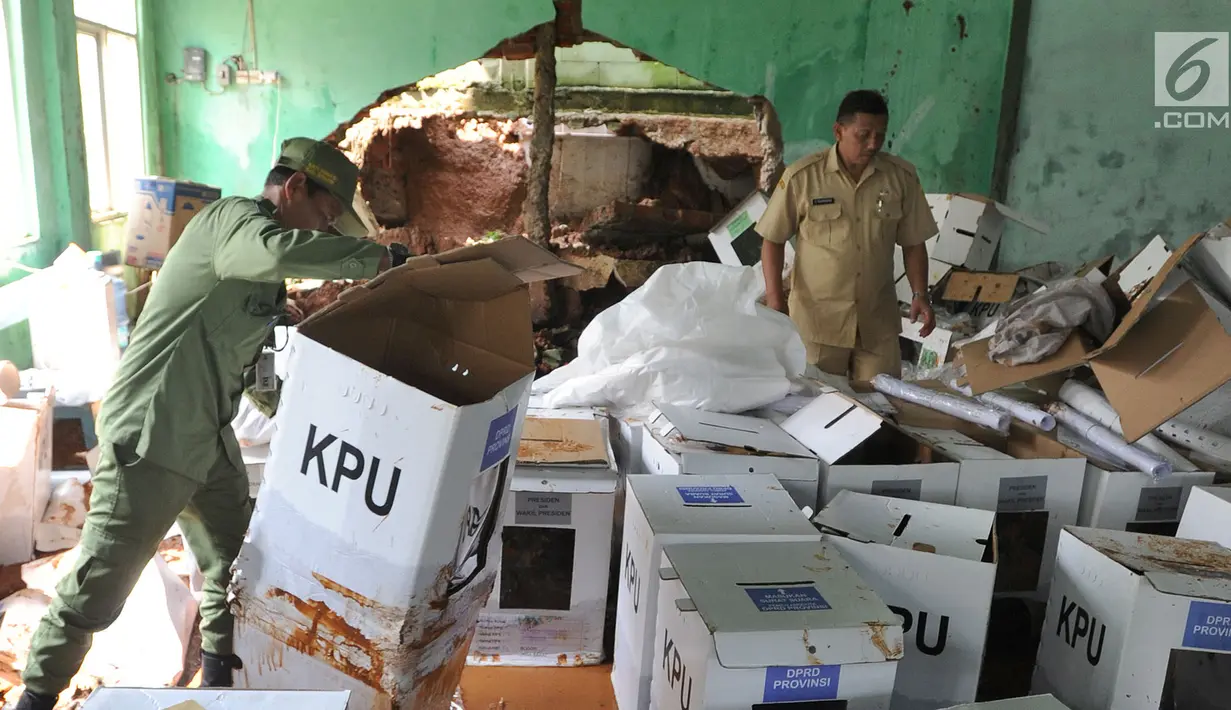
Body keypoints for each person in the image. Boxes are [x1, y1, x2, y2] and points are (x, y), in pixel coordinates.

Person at [16, 138, 408, 710]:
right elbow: (274, 252)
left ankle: (222, 690)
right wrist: (379, 259)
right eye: (324, 217)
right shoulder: (233, 223)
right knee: (98, 588)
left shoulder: (258, 267)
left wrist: (293, 410)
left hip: (207, 437)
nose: (324, 233)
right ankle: (36, 696)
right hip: (153, 432)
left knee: (235, 565)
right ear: (294, 188)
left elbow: (243, 358)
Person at [758, 89, 938, 384]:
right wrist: (776, 302)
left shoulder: (900, 178)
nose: (873, 144)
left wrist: (921, 294)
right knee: (816, 409)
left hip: (876, 325)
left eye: (880, 135)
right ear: (839, 131)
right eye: (863, 134)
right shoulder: (803, 178)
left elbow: (913, 242)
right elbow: (772, 239)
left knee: (882, 408)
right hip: (818, 327)